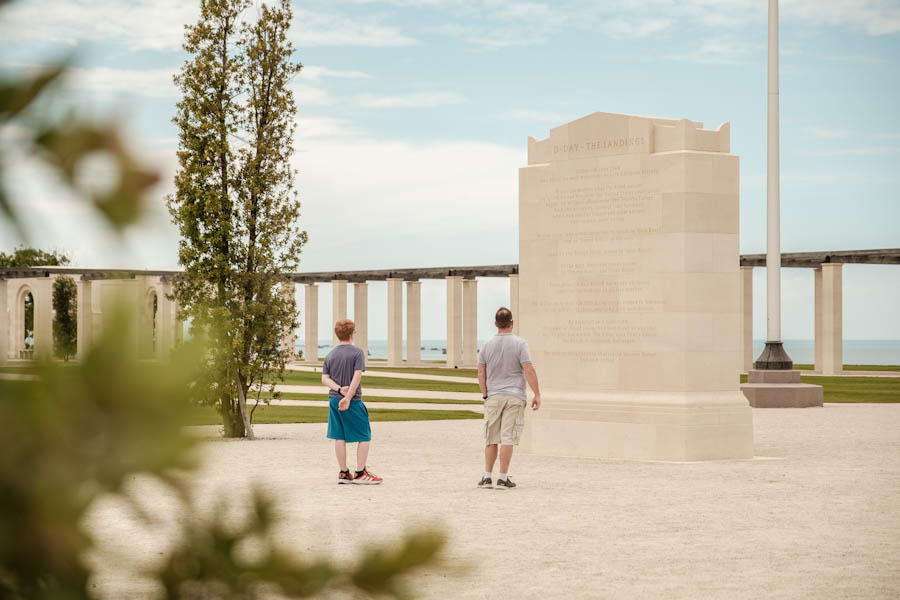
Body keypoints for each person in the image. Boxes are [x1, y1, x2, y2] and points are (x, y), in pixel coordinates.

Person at [477, 307, 541, 489]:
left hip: (494, 395)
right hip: (514, 395)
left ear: (496, 324)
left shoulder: (487, 344)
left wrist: (485, 393)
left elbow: (481, 372)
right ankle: (503, 478)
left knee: (491, 438)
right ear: (512, 322)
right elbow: (528, 369)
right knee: (507, 438)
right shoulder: (520, 344)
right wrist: (536, 394)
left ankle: (487, 476)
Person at [321, 318, 382, 485]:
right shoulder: (357, 353)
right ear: (351, 334)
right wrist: (348, 397)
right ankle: (360, 472)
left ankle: (343, 472)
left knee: (338, 435)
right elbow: (357, 376)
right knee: (364, 435)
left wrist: (340, 389)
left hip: (333, 399)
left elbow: (324, 379)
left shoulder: (330, 354)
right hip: (353, 401)